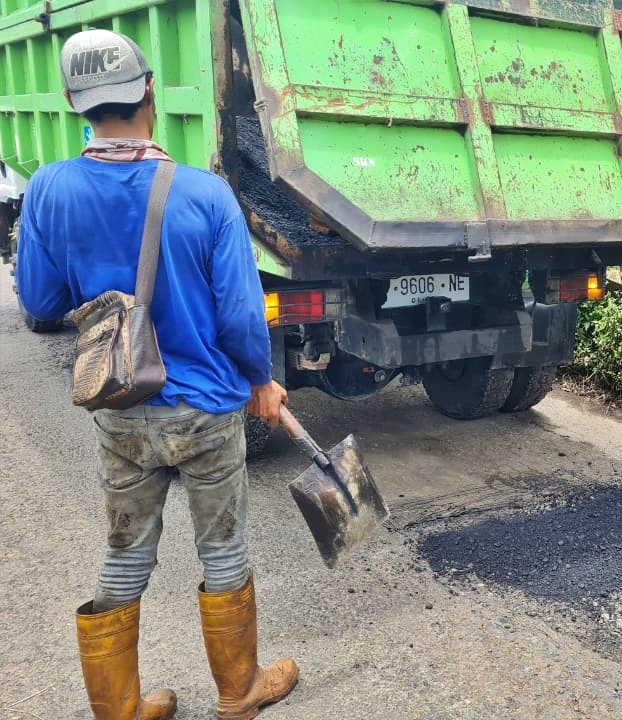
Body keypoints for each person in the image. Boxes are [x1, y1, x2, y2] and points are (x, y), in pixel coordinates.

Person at [17, 29, 298, 718]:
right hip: (206, 410)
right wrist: (261, 380)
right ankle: (239, 692)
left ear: (73, 101)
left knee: (125, 554)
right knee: (222, 548)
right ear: (148, 91)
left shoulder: (50, 187)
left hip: (120, 409)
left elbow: (42, 302)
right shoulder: (206, 194)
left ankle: (120, 709)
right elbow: (240, 315)